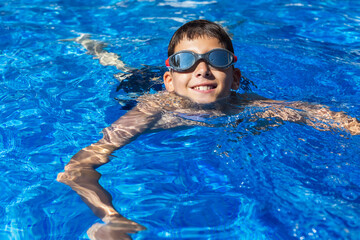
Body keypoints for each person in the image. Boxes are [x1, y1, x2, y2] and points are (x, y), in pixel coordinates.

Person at [57, 19, 360, 240]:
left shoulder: (247, 104)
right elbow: (77, 167)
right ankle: (98, 49)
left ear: (236, 78)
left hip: (201, 89)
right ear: (170, 79)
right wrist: (111, 218)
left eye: (217, 59)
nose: (201, 68)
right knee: (124, 71)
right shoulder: (152, 111)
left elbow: (314, 113)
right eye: (185, 61)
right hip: (140, 90)